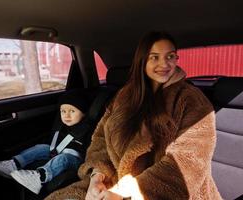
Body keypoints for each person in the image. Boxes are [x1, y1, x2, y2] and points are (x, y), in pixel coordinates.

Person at [45, 31, 222, 200]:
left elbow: (188, 162)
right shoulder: (125, 96)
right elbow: (101, 140)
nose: (164, 64)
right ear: (142, 61)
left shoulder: (191, 100)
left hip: (166, 191)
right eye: (155, 57)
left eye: (170, 56)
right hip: (113, 182)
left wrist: (128, 190)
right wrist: (97, 176)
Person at [0, 93, 90, 194]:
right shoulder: (61, 125)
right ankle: (13, 164)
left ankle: (39, 177)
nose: (66, 115)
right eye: (63, 111)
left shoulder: (88, 128)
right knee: (41, 147)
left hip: (74, 160)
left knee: (64, 158)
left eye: (72, 111)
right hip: (56, 151)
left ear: (83, 113)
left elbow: (92, 149)